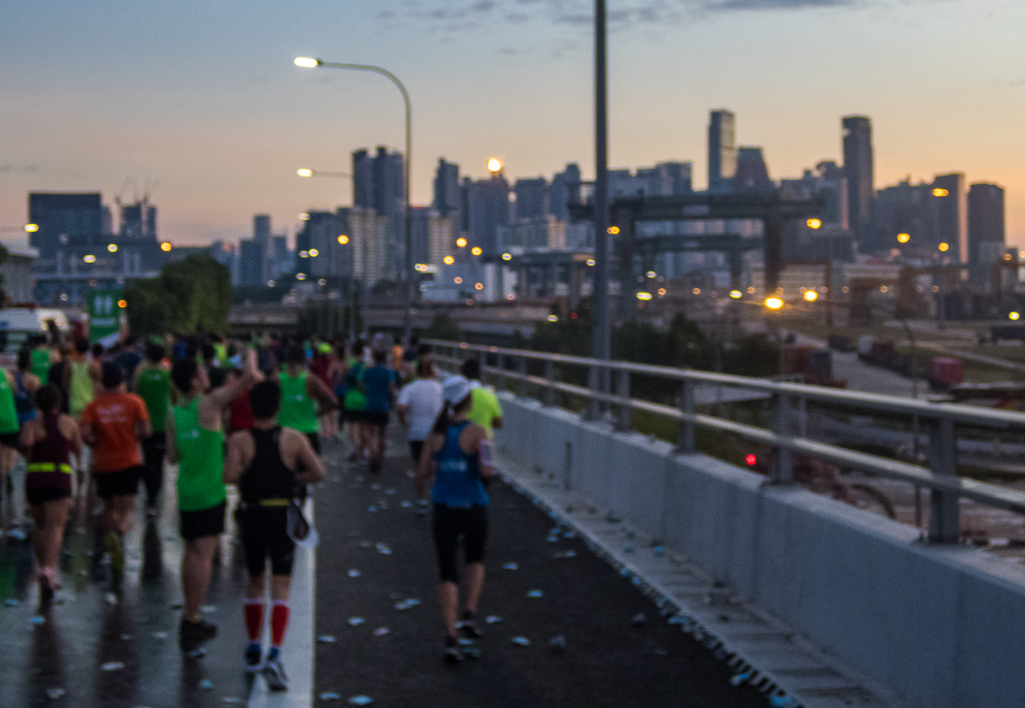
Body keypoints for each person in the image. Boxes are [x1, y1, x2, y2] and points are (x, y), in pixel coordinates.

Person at [224, 380, 325, 690]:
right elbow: (318, 472)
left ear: (252, 408)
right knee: (281, 585)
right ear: (278, 407)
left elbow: (228, 476)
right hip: (281, 515)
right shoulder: (293, 438)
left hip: (253, 515)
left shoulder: (240, 439)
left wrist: (249, 478)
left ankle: (254, 645)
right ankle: (275, 653)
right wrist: (293, 477)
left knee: (255, 581)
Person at [168, 349, 261, 648]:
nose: (208, 375)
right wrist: (251, 353)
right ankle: (192, 618)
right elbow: (247, 379)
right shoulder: (208, 404)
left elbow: (172, 456)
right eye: (203, 372)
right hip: (209, 491)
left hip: (185, 490)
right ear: (195, 382)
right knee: (204, 557)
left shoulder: (174, 413)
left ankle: (189, 611)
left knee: (190, 552)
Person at [415, 375, 496, 663]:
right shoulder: (479, 432)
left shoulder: (435, 434)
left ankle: (451, 635)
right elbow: (488, 470)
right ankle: (470, 613)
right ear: (470, 401)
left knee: (447, 572)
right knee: (475, 560)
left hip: (444, 510)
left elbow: (422, 472)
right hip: (473, 507)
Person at [81, 362, 152, 577]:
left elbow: (85, 434)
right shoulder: (135, 402)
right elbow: (147, 431)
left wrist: (96, 444)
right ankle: (120, 532)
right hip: (129, 461)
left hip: (103, 464)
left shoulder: (93, 407)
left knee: (108, 508)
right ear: (122, 381)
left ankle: (110, 538)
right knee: (126, 509)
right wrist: (133, 439)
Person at [21, 384, 82, 605]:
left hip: (35, 481)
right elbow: (77, 447)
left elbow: (26, 445)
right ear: (58, 402)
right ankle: (49, 570)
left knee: (40, 527)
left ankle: (41, 568)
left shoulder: (31, 425)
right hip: (59, 480)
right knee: (55, 527)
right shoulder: (68, 422)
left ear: (37, 403)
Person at [277, 344, 337, 456]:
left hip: (284, 431)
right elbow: (333, 402)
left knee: (284, 472)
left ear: (287, 359)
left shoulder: (278, 379)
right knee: (312, 471)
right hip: (307, 431)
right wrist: (317, 414)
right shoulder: (310, 379)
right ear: (303, 359)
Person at [135, 342, 171, 515]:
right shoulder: (167, 375)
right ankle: (153, 500)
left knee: (147, 460)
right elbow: (175, 397)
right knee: (158, 463)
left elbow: (134, 394)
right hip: (162, 425)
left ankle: (148, 491)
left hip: (144, 424)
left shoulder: (140, 374)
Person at [396, 359, 443, 467]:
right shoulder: (440, 388)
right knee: (433, 464)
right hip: (435, 433)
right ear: (433, 371)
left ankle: (420, 482)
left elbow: (401, 407)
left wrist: (402, 420)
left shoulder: (409, 387)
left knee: (417, 465)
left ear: (417, 371)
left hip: (416, 432)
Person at [361, 349, 396, 474]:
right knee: (382, 434)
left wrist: (366, 393)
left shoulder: (368, 371)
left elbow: (361, 384)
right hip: (383, 406)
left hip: (369, 405)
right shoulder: (388, 372)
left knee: (369, 431)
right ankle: (380, 458)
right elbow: (391, 389)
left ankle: (373, 452)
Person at [461, 360, 503, 438]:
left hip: (462, 441)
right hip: (484, 443)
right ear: (479, 375)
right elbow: (498, 424)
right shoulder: (489, 395)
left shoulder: (458, 395)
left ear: (462, 374)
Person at [0, 367, 22, 503]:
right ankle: (9, 472)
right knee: (11, 451)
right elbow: (15, 392)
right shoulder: (6, 373)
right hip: (10, 418)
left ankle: (3, 477)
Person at [14, 348, 41, 429]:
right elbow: (36, 398)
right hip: (29, 414)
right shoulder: (33, 379)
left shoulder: (11, 377)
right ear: (29, 363)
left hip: (15, 412)